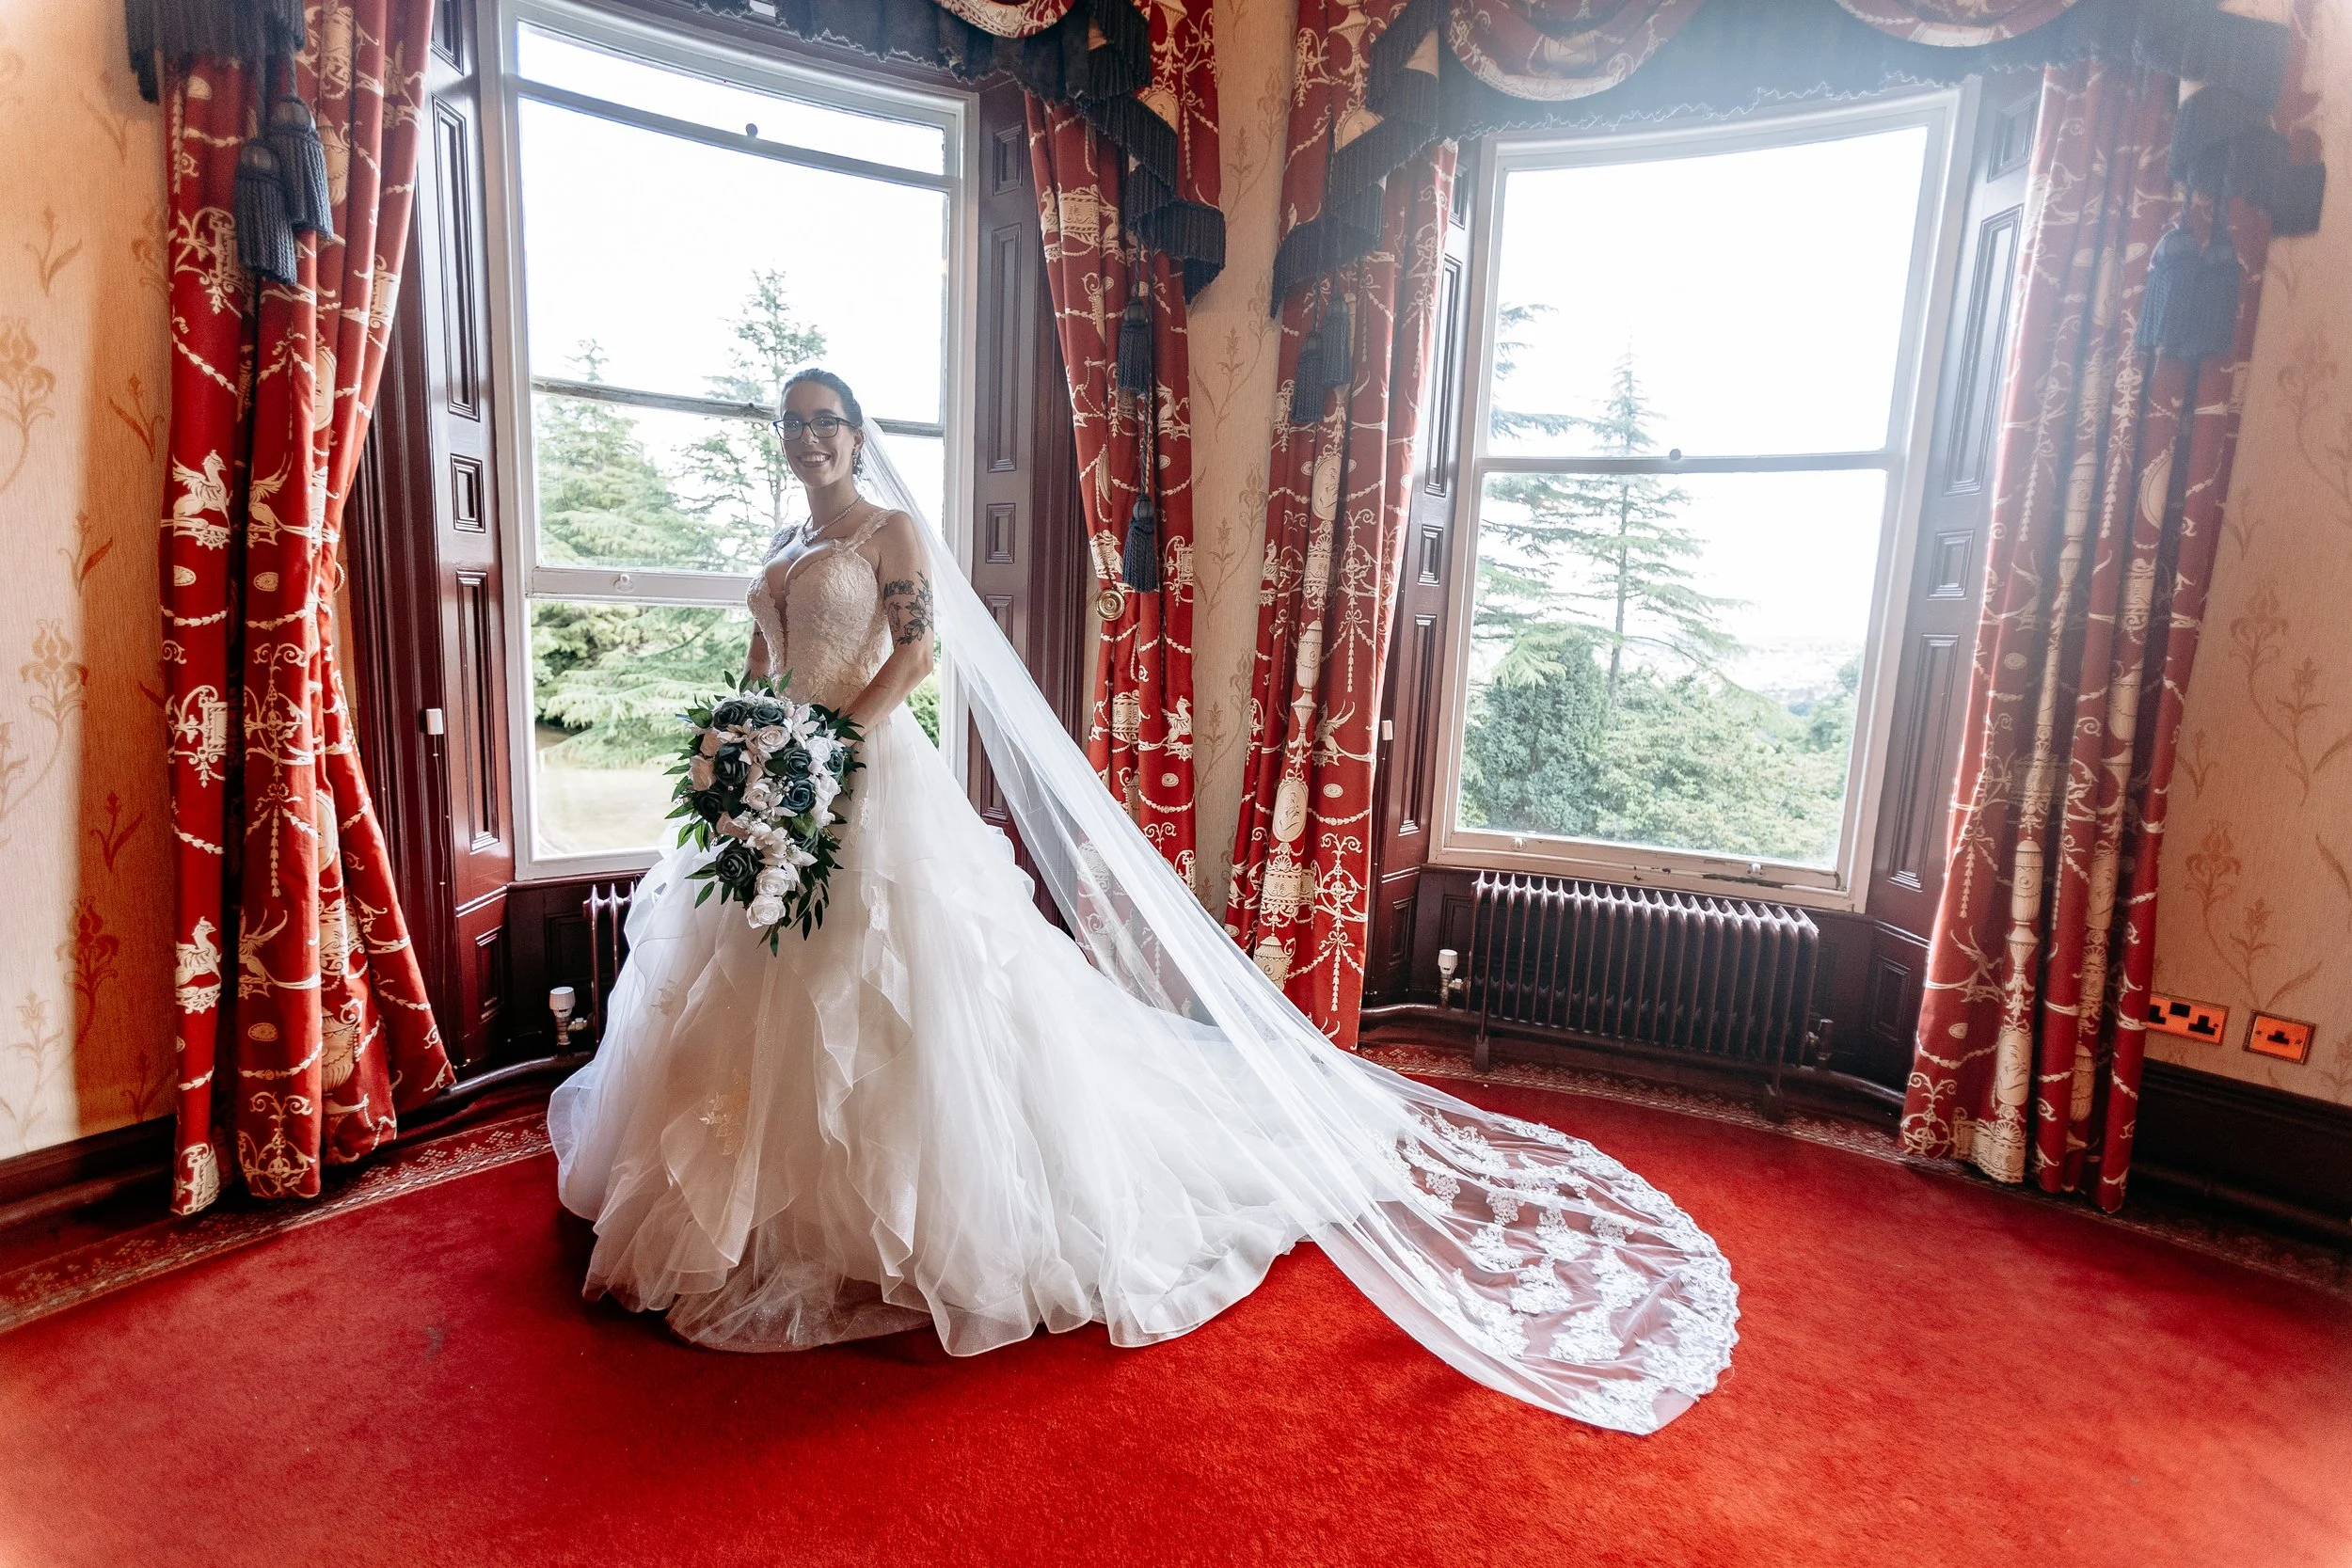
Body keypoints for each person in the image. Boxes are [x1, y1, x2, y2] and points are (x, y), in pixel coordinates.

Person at [548, 369, 1739, 1433]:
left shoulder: (888, 530)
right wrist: (743, 743)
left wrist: (824, 747)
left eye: (826, 420)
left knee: (897, 991)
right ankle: (763, 1206)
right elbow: (763, 666)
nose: (809, 437)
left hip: (866, 780)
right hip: (780, 785)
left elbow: (914, 657)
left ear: (857, 434)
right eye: (792, 423)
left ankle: (905, 1215)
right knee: (749, 978)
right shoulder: (779, 543)